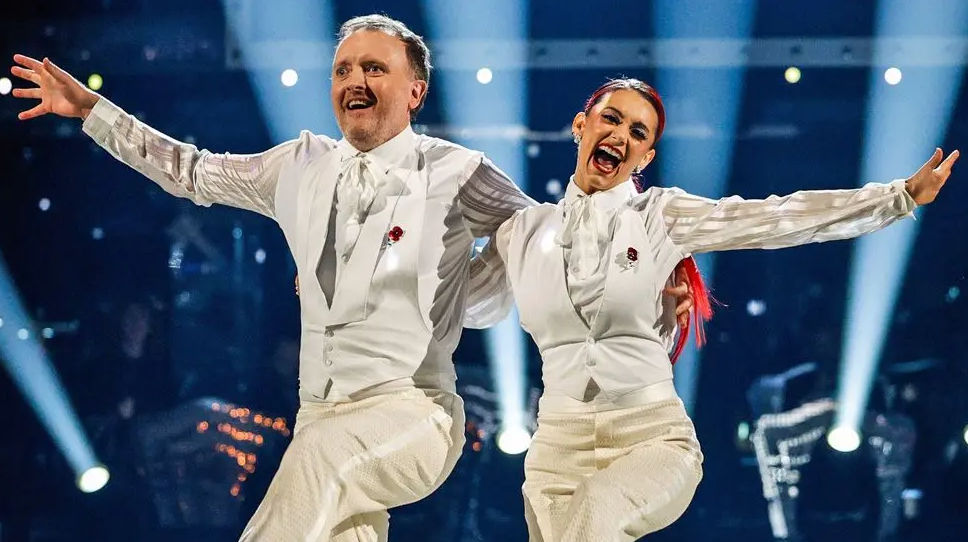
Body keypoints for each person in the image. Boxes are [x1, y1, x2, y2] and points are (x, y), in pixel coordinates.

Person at [9, 15, 697, 541]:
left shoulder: (456, 171)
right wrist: (93, 113)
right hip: (322, 414)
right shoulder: (298, 164)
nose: (354, 81)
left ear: (414, 91)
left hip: (414, 415)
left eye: (374, 67)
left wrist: (648, 294)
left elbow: (548, 246)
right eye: (343, 69)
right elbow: (190, 171)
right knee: (331, 499)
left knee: (319, 461)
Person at [476, 77, 958, 542]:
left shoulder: (660, 216)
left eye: (637, 132)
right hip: (556, 447)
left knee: (594, 516)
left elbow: (775, 218)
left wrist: (896, 198)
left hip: (648, 438)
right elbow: (461, 304)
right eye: (612, 119)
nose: (621, 135)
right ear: (581, 125)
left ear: (646, 156)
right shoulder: (522, 231)